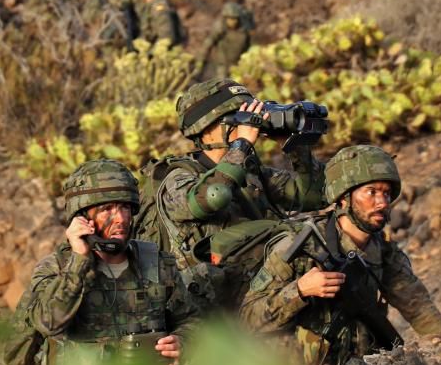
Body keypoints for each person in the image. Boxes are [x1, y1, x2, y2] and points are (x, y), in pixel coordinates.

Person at [14, 159, 209, 365]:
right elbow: (48, 322)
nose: (120, 219)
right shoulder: (57, 268)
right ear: (82, 218)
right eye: (106, 209)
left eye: (125, 208)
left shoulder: (156, 263)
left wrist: (182, 342)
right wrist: (79, 262)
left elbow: (190, 320)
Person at [239, 145, 441, 365]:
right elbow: (248, 319)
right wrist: (299, 291)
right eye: (372, 192)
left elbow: (418, 308)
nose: (382, 203)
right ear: (343, 198)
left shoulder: (383, 251)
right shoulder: (299, 245)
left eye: (386, 193)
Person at [135, 78, 325, 307]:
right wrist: (242, 144)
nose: (248, 124)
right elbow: (213, 196)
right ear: (207, 129)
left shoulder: (251, 172)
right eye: (238, 118)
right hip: (200, 306)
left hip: (255, 295)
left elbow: (312, 196)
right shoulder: (177, 177)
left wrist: (295, 147)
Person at [198, 2, 252, 80]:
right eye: (230, 19)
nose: (233, 22)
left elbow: (247, 48)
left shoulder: (243, 31)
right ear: (225, 18)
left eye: (235, 19)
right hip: (222, 65)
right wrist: (201, 61)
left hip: (237, 66)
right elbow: (208, 43)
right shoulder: (220, 28)